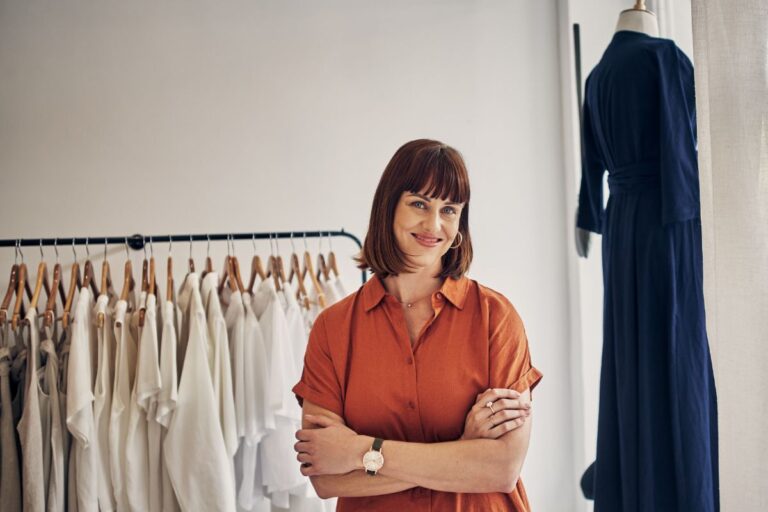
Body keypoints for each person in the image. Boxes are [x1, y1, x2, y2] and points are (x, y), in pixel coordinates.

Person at [292, 139, 543, 511]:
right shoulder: (333, 329)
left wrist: (361, 451)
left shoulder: (496, 318)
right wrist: (462, 450)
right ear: (389, 207)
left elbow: (500, 468)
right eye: (419, 204)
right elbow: (326, 477)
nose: (433, 224)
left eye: (449, 209)